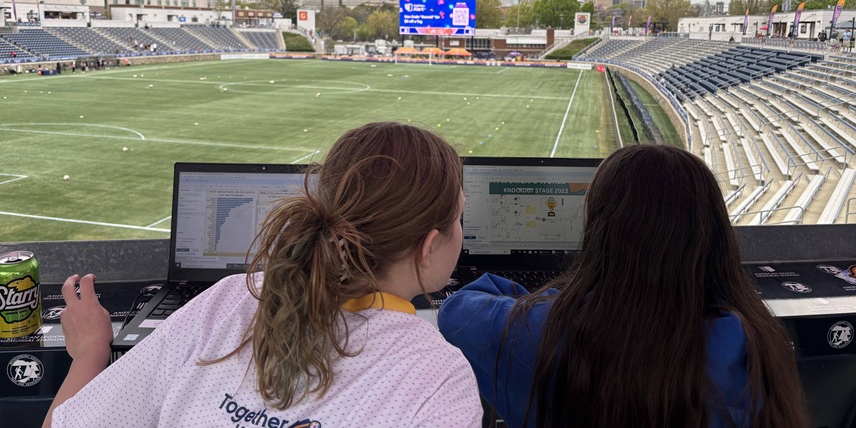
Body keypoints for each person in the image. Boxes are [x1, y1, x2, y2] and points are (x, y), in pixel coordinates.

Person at [44, 122, 482, 428]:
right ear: (429, 246)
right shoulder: (439, 376)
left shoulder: (229, 300)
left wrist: (89, 354)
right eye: (460, 216)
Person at [438, 145, 809, 428]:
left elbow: (458, 310)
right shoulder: (754, 341)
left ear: (602, 232)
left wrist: (558, 300)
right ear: (713, 235)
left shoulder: (547, 331)